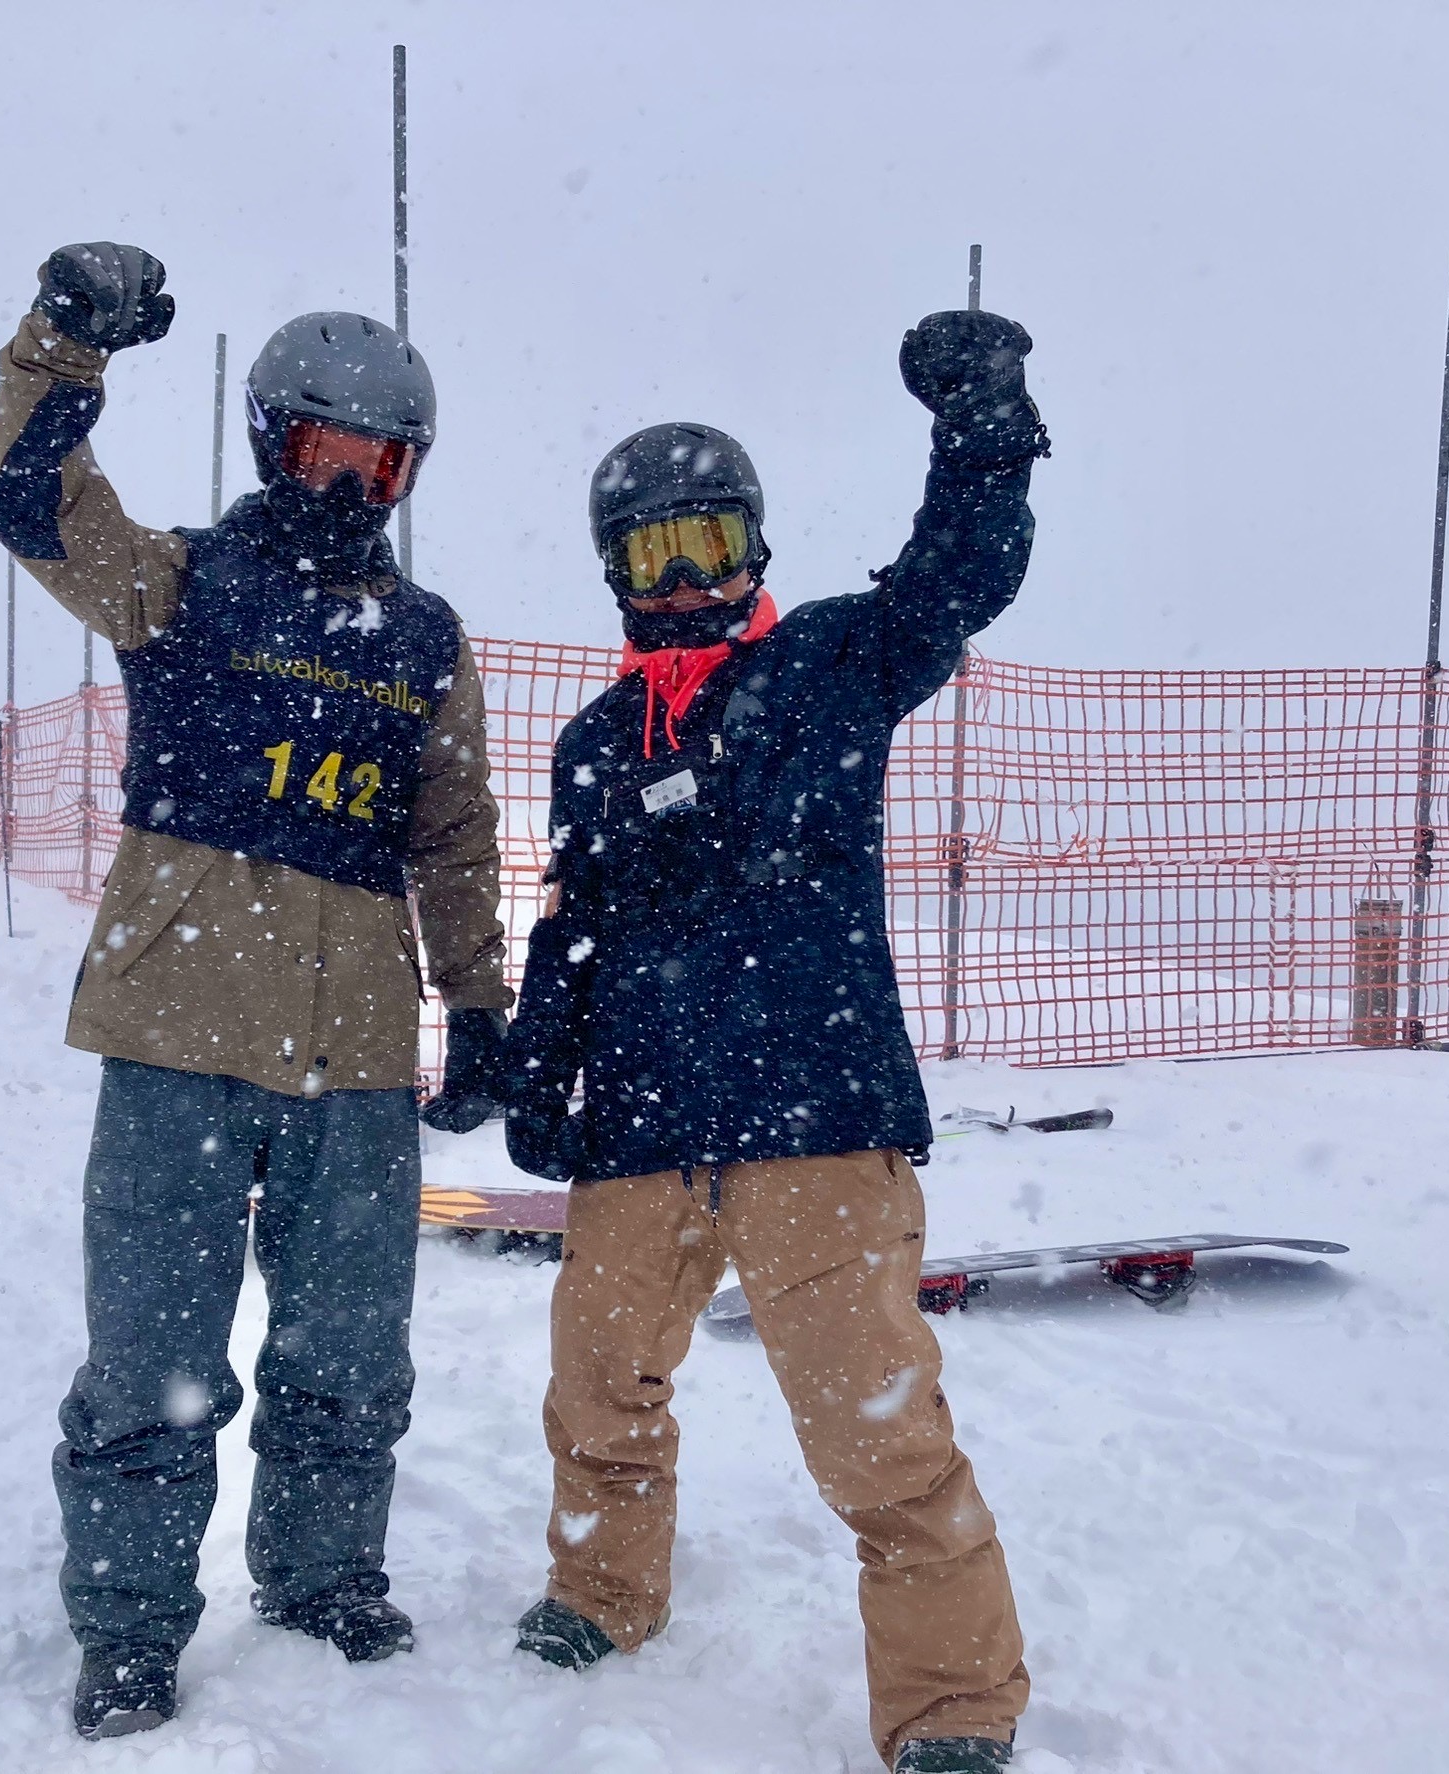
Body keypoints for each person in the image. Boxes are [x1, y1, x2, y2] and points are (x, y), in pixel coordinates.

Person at [497, 309, 1050, 1774]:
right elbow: (573, 921)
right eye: (654, 556)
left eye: (712, 546)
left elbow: (959, 575)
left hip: (814, 1114)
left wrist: (984, 432)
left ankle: (951, 1703)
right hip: (642, 1127)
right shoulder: (597, 744)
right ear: (616, 574)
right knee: (597, 1394)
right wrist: (536, 1071)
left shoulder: (829, 667)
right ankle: (603, 1590)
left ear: (757, 549)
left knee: (880, 1436)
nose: (688, 581)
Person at [0, 243, 513, 1740]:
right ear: (276, 443)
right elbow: (30, 500)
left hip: (356, 1054)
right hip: (178, 1035)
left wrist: (478, 1003)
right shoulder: (181, 584)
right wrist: (65, 344)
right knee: (152, 1358)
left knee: (350, 1350)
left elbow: (455, 833)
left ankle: (324, 1576)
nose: (352, 489)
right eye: (329, 454)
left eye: (382, 465)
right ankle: (130, 1627)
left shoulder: (424, 642)